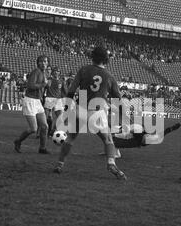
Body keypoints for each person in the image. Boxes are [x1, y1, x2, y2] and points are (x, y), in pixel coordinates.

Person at [53, 47, 126, 180]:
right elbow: (118, 99)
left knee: (70, 138)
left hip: (80, 109)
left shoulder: (84, 70)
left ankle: (60, 164)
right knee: (108, 139)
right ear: (106, 59)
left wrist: (67, 110)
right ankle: (111, 164)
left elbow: (71, 91)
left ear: (92, 57)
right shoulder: (109, 76)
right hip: (97, 112)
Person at [14, 55, 50, 154]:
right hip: (30, 101)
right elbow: (30, 85)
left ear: (47, 63)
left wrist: (42, 95)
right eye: (41, 61)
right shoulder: (36, 72)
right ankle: (18, 141)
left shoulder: (43, 73)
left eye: (45, 61)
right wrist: (43, 85)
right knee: (33, 129)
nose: (43, 63)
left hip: (37, 101)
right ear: (38, 63)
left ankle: (42, 148)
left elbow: (40, 88)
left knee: (44, 126)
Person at [44, 66, 64, 136]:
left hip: (58, 100)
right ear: (53, 72)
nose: (56, 72)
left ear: (59, 73)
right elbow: (45, 87)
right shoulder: (49, 79)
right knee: (46, 118)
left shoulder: (61, 80)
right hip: (50, 99)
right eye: (55, 71)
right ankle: (41, 132)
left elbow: (63, 91)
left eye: (58, 71)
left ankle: (52, 130)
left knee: (61, 118)